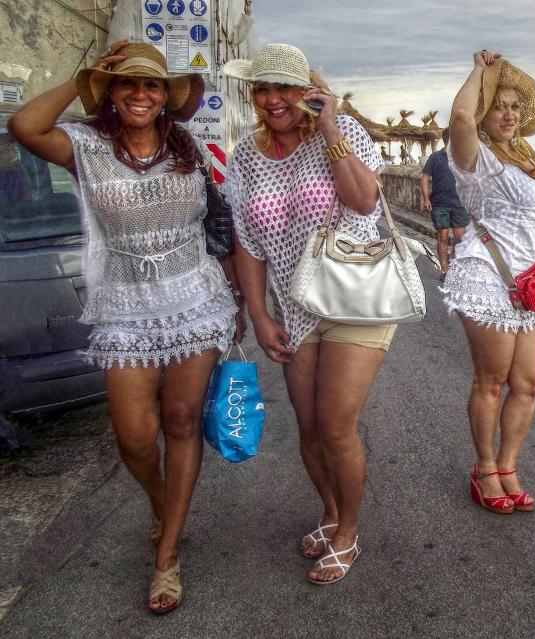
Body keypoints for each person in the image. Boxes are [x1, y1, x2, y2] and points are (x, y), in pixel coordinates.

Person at [8, 41, 243, 613]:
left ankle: (167, 556)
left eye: (152, 85)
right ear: (111, 92)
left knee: (182, 419)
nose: (141, 94)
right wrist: (85, 71)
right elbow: (24, 124)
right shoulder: (86, 146)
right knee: (134, 437)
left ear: (166, 98)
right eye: (127, 84)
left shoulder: (187, 148)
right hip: (125, 305)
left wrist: (241, 302)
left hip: (195, 297)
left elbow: (224, 222)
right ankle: (163, 504)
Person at [222, 43, 387, 584]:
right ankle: (331, 511)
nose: (274, 100)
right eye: (263, 89)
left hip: (353, 300)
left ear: (308, 91)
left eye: (285, 89)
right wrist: (260, 313)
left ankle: (348, 533)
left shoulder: (341, 135)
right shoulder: (246, 154)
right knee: (309, 427)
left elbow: (365, 201)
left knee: (337, 425)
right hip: (294, 306)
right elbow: (247, 241)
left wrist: (333, 129)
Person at [443, 50, 535, 514]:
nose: (508, 114)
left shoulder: (526, 155)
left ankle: (508, 466)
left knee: (528, 383)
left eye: (514, 106)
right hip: (487, 275)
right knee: (492, 380)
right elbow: (460, 115)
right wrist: (480, 72)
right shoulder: (475, 158)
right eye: (499, 105)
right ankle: (484, 467)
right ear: (485, 115)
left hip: (527, 283)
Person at [421, 128, 469, 276]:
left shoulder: (462, 158)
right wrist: (426, 198)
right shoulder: (435, 157)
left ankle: (451, 258)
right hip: (439, 203)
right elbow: (424, 177)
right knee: (442, 235)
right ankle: (444, 268)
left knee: (460, 236)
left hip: (459, 203)